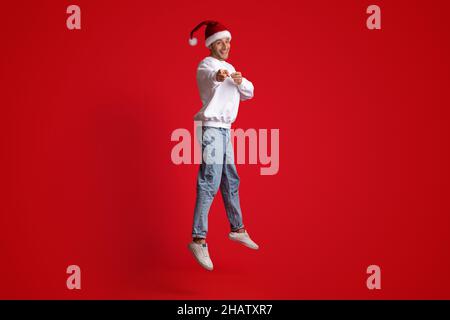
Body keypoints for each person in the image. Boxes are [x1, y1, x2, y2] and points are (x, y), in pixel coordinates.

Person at [187, 20, 259, 271]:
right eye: (220, 42)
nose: (226, 46)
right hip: (211, 129)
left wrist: (239, 81)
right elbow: (208, 77)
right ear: (211, 45)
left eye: (228, 41)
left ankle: (237, 229)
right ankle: (199, 239)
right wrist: (218, 77)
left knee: (231, 179)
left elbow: (249, 92)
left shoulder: (231, 67)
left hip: (225, 131)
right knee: (209, 181)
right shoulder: (207, 65)